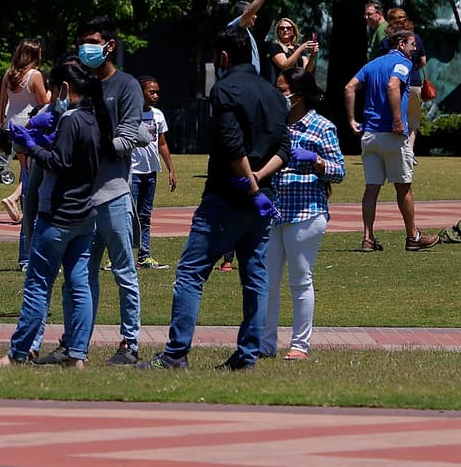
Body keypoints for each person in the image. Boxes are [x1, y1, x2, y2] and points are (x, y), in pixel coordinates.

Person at [138, 25, 290, 371]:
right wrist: (259, 184)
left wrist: (249, 186)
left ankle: (176, 353)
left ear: (223, 57)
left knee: (191, 272)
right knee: (255, 276)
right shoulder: (273, 94)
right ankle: (247, 355)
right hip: (263, 198)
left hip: (227, 195)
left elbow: (232, 145)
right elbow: (284, 148)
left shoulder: (224, 90)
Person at [0, 57, 106, 368]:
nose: (52, 97)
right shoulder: (94, 118)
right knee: (79, 285)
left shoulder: (71, 119)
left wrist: (31, 145)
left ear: (65, 89)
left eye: (54, 90)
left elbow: (60, 162)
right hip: (85, 215)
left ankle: (18, 353)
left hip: (57, 215)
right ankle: (77, 354)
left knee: (37, 285)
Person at [45, 17, 143, 368]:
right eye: (81, 42)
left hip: (112, 194)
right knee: (78, 276)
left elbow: (129, 138)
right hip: (78, 198)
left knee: (124, 271)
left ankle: (130, 342)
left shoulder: (127, 85)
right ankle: (73, 344)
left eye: (92, 41)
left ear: (109, 46)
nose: (85, 48)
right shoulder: (74, 84)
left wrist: (89, 143)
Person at [262, 67, 346, 361]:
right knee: (267, 281)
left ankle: (300, 345)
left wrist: (317, 161)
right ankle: (265, 343)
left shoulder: (322, 127)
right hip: (273, 211)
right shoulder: (275, 124)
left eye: (282, 91)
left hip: (306, 212)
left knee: (300, 279)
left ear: (298, 95)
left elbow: (339, 172)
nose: (277, 96)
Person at [343, 29, 439, 252]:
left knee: (371, 188)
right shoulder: (403, 63)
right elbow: (393, 85)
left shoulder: (372, 64)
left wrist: (351, 120)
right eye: (412, 44)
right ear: (401, 44)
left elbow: (349, 87)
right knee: (403, 188)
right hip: (392, 135)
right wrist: (397, 120)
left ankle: (368, 238)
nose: (415, 49)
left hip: (370, 135)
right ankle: (413, 237)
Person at [0, 38, 48, 226]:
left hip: (13, 126)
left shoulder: (9, 74)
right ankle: (16, 199)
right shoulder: (35, 75)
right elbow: (44, 102)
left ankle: (20, 205)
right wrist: (52, 94)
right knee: (31, 171)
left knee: (24, 167)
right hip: (31, 127)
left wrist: (1, 124)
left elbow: (2, 102)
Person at [131, 76, 177, 269]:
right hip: (132, 172)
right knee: (128, 216)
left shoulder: (157, 115)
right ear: (140, 92)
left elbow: (162, 144)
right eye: (152, 92)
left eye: (157, 92)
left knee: (145, 216)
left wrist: (171, 169)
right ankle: (119, 257)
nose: (156, 96)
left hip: (150, 172)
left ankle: (144, 256)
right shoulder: (129, 112)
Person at [378, 8, 428, 151]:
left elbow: (382, 64)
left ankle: (395, 150)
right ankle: (409, 153)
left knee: (394, 117)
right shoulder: (415, 38)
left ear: (390, 21)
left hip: (394, 84)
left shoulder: (387, 41)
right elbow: (423, 61)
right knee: (413, 122)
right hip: (414, 83)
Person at [228, 0, 281, 74]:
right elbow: (251, 10)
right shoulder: (234, 27)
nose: (256, 16)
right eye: (253, 13)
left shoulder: (246, 31)